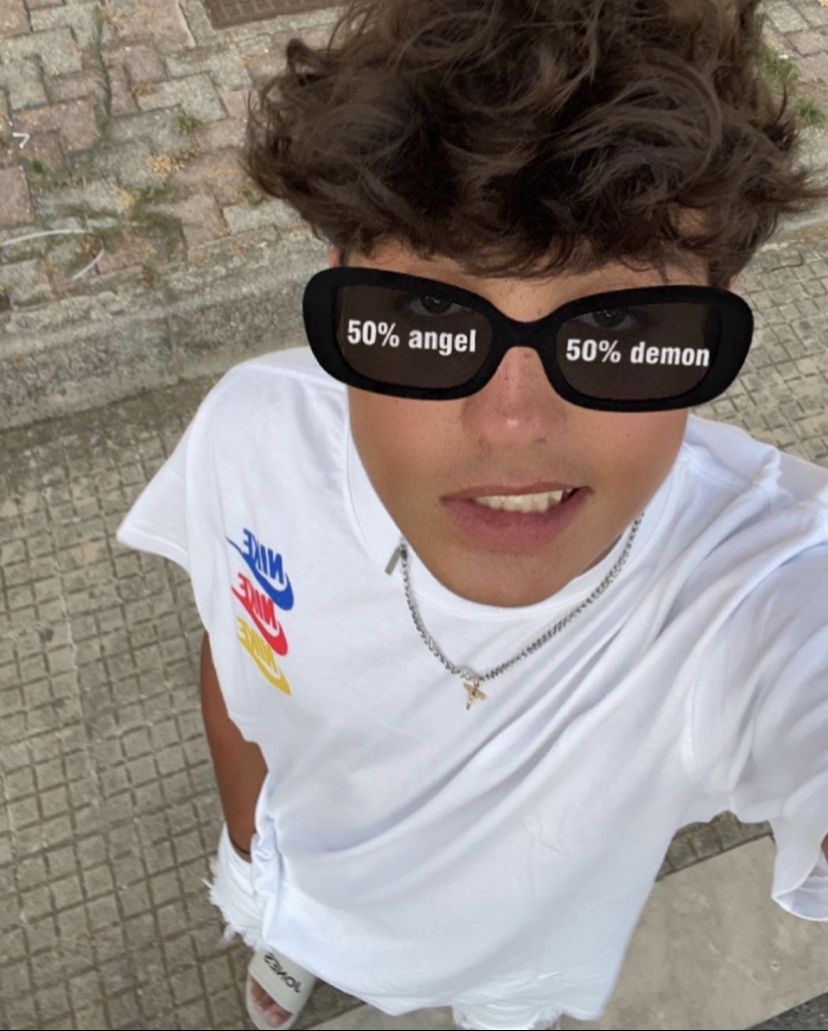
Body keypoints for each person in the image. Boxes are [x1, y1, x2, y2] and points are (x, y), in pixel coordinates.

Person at [116, 1, 828, 1028]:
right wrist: (249, 848)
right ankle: (290, 937)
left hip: (516, 970)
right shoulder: (254, 429)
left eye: (620, 321)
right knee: (285, 920)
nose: (511, 424)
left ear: (721, 296)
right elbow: (236, 656)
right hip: (288, 881)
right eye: (432, 312)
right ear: (343, 282)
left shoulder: (749, 582)